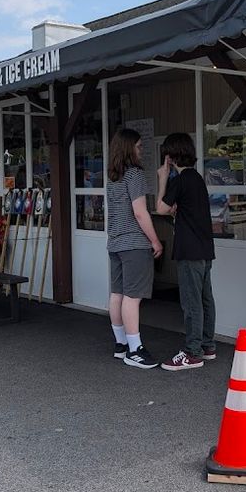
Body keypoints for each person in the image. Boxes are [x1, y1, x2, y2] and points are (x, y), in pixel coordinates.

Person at [155, 132, 217, 371]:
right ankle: (207, 345)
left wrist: (162, 178)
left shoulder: (179, 180)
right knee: (205, 298)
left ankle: (192, 352)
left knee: (191, 302)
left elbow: (160, 208)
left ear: (170, 157)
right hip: (204, 248)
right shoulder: (197, 178)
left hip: (188, 249)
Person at [107, 128, 163, 369]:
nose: (141, 150)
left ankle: (121, 344)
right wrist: (155, 240)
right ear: (130, 148)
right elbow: (140, 213)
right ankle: (135, 349)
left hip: (115, 242)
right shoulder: (134, 175)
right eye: (139, 146)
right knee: (133, 297)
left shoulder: (113, 176)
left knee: (117, 294)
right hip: (134, 243)